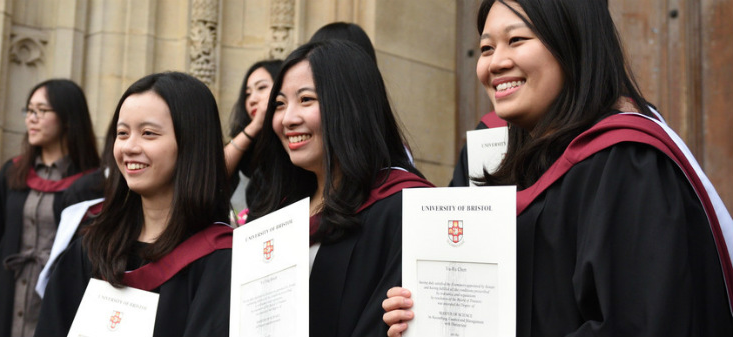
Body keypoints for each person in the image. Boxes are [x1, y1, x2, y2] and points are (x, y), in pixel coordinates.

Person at [384, 1, 733, 336]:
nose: (495, 63)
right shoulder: (530, 171)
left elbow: (637, 324)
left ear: (571, 41)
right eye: (486, 48)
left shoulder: (626, 163)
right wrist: (428, 315)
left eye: (516, 40)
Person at [247, 40, 434, 337]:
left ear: (350, 105)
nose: (288, 119)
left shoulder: (404, 210)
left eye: (306, 100)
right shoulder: (278, 214)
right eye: (280, 104)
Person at [34, 72, 233, 337]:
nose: (129, 147)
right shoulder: (91, 250)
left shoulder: (221, 259)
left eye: (148, 133)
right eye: (122, 133)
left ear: (191, 143)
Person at [0, 79, 101, 337]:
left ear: (68, 117)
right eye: (29, 111)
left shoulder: (92, 185)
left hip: (55, 303)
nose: (31, 119)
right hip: (6, 301)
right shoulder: (12, 174)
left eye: (41, 111)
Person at [226, 59, 281, 222]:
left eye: (262, 88)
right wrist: (254, 126)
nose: (252, 99)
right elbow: (211, 176)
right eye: (248, 93)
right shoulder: (250, 144)